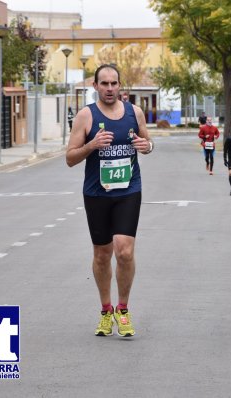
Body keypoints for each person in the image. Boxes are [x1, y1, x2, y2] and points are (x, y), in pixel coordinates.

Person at [66, 64, 154, 338]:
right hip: (97, 194)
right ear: (95, 86)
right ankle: (106, 310)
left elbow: (148, 143)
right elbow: (70, 158)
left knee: (124, 251)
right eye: (104, 83)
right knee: (102, 255)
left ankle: (123, 310)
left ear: (120, 86)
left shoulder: (134, 112)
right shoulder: (86, 116)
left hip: (128, 190)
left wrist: (146, 147)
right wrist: (91, 146)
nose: (109, 88)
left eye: (114, 83)